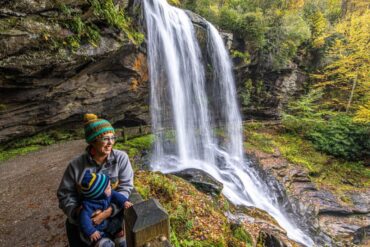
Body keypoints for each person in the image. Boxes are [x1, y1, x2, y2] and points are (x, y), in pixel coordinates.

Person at [57, 113, 134, 247]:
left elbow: (126, 186)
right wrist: (79, 214)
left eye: (112, 138)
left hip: (114, 217)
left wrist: (108, 211)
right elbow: (65, 194)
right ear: (93, 141)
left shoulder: (121, 158)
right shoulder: (76, 166)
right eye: (105, 138)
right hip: (86, 220)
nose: (111, 143)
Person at [79, 170, 133, 246]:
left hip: (110, 222)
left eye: (110, 186)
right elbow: (84, 219)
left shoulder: (109, 193)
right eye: (108, 188)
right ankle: (104, 241)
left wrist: (124, 202)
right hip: (98, 229)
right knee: (99, 238)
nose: (111, 188)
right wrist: (91, 231)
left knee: (115, 224)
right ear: (99, 194)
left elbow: (117, 196)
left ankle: (118, 234)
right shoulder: (88, 205)